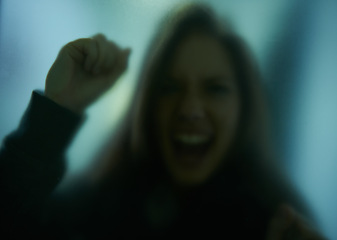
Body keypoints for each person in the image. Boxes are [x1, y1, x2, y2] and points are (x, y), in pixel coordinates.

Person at [0, 3, 327, 239]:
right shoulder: (98, 206)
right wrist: (59, 107)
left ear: (245, 108)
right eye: (170, 88)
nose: (190, 109)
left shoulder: (278, 223)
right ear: (148, 104)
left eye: (215, 89)